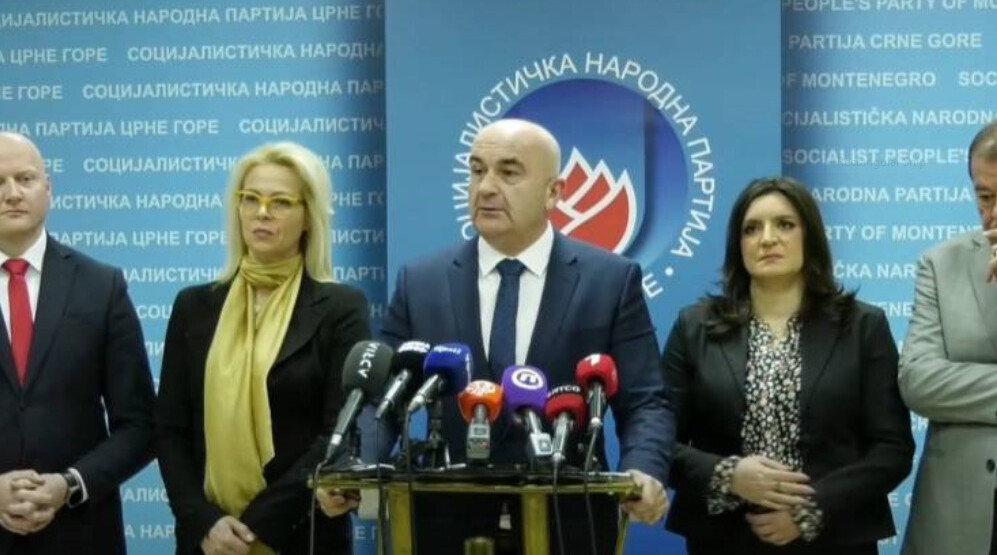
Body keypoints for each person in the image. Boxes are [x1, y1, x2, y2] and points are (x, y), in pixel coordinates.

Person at [322, 118, 673, 554]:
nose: (486, 187)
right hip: (444, 523)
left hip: (567, 523)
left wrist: (644, 469)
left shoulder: (610, 280)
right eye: (477, 171)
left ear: (553, 192)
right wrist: (358, 466)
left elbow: (644, 400)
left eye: (508, 172)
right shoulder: (422, 281)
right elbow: (385, 401)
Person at [662, 177, 914, 554]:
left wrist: (811, 508)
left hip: (836, 538)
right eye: (751, 229)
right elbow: (659, 440)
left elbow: (892, 449)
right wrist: (728, 475)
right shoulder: (695, 327)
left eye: (784, 225)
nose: (767, 239)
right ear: (737, 246)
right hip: (723, 540)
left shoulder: (863, 327)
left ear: (809, 236)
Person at [156, 142, 370, 555]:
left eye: (281, 202)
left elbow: (339, 432)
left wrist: (255, 528)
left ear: (308, 216)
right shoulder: (194, 306)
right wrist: (204, 521)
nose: (262, 213)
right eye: (250, 199)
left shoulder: (340, 308)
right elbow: (170, 429)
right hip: (208, 541)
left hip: (301, 535)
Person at [0, 132, 156, 553]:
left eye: (25, 178)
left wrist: (69, 484)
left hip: (80, 533)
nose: (12, 193)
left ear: (48, 187)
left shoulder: (101, 286)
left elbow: (141, 425)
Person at [900, 120, 997, 555]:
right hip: (959, 520)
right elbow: (919, 381)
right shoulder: (941, 265)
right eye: (985, 197)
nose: (993, 213)